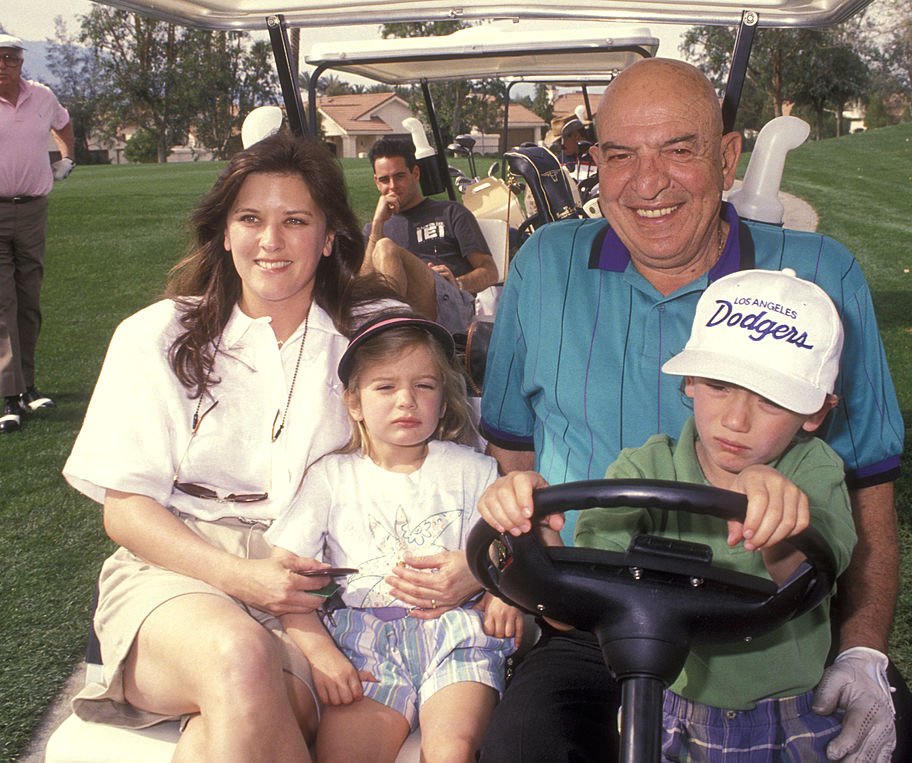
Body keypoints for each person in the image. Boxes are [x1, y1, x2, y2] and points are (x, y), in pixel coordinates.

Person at [477, 58, 912, 762]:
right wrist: (529, 552)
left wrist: (862, 653)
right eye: (619, 155)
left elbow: (868, 487)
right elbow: (513, 451)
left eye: (678, 149)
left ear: (727, 157)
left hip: (774, 624)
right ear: (594, 163)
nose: (647, 182)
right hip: (594, 623)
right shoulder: (544, 266)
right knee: (524, 748)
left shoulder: (822, 278)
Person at [61, 132, 398, 761]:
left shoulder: (368, 338)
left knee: (240, 723)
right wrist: (241, 577)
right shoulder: (156, 336)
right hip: (176, 574)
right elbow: (125, 509)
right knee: (239, 656)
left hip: (305, 592)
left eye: (295, 221)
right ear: (224, 231)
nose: (271, 240)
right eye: (251, 218)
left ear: (328, 238)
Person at [483, 267, 858, 760]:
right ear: (689, 382)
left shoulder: (815, 470)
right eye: (720, 385)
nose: (736, 419)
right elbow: (580, 610)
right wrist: (529, 530)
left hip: (786, 713)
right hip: (668, 708)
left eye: (770, 400)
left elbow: (808, 580)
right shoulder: (642, 469)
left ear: (814, 411)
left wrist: (780, 521)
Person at [266, 311, 522, 763]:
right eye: (385, 387)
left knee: (452, 750)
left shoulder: (472, 469)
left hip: (456, 634)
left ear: (443, 402)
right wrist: (321, 653)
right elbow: (286, 579)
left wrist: (505, 592)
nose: (406, 400)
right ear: (354, 403)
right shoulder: (331, 478)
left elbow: (510, 544)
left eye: (424, 386)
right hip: (364, 644)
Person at [0, 33, 75, 434]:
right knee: (2, 305)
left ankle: (27, 387)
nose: (2, 64)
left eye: (9, 58)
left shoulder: (42, 97)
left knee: (29, 300)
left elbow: (63, 124)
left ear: (21, 62)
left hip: (32, 210)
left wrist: (68, 158)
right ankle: (9, 397)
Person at [361, 136, 498, 335]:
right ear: (376, 182)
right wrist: (377, 225)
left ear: (415, 173)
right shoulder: (374, 230)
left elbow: (490, 271)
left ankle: (390, 337)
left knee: (385, 248)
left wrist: (458, 282)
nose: (392, 186)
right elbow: (362, 291)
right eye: (384, 180)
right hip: (404, 311)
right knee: (382, 247)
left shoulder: (451, 212)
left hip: (449, 306)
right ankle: (395, 333)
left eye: (399, 176)